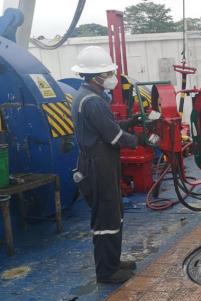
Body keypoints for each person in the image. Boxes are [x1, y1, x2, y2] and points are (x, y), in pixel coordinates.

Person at [70, 46, 141, 284]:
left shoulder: (88, 96)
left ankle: (112, 261)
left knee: (114, 214)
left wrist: (128, 121)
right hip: (97, 167)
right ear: (96, 76)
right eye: (108, 72)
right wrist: (140, 139)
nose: (112, 77)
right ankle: (106, 272)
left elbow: (104, 126)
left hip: (100, 164)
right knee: (106, 218)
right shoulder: (93, 101)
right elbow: (114, 138)